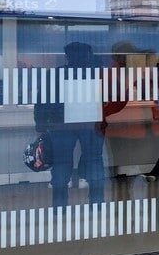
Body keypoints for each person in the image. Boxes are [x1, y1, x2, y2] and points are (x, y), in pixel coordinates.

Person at [39, 40, 108, 207]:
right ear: (88, 55)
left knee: (61, 163)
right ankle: (97, 203)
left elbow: (43, 101)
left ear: (67, 56)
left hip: (61, 126)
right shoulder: (97, 74)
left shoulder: (56, 74)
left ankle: (59, 206)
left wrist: (40, 123)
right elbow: (110, 98)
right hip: (91, 124)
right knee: (94, 161)